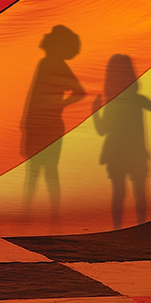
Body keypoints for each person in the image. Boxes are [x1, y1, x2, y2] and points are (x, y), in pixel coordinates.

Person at [21, 25, 85, 223]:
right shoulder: (47, 63)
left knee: (44, 171)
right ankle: (37, 214)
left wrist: (57, 105)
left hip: (47, 124)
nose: (44, 35)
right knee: (39, 171)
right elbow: (34, 95)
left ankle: (45, 214)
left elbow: (79, 91)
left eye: (49, 35)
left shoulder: (54, 64)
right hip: (39, 123)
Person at [93, 54, 151, 229]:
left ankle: (117, 228)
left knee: (119, 193)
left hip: (118, 154)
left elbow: (102, 130)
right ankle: (140, 229)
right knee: (138, 193)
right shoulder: (137, 99)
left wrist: (95, 111)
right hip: (135, 153)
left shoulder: (113, 102)